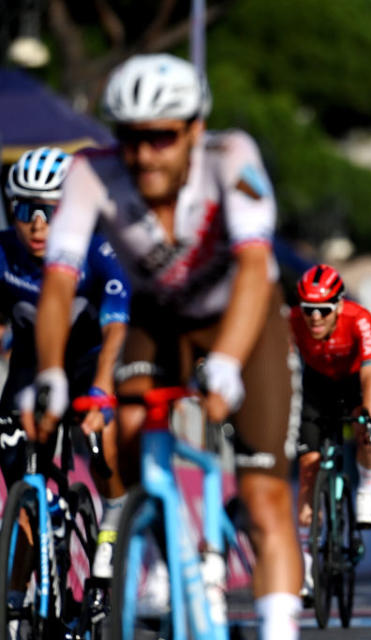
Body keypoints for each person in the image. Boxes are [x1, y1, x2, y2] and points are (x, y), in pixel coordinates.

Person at [23, 54, 302, 638]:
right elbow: (59, 282)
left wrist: (226, 361)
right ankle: (149, 550)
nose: (144, 154)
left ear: (195, 131)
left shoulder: (232, 159)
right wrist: (48, 373)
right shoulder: (92, 172)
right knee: (123, 430)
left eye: (161, 138)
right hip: (157, 316)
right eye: (130, 137)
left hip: (239, 315)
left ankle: (280, 627)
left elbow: (255, 267)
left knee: (263, 494)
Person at [0, 146, 129, 580]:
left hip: (90, 362)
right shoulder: (3, 255)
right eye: (25, 209)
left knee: (102, 437)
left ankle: (112, 515)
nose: (38, 224)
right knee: (19, 489)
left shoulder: (97, 250)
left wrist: (103, 388)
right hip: (30, 369)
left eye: (51, 211)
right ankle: (18, 603)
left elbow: (116, 326)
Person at [289, 264, 371, 592]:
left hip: (355, 383)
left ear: (339, 305)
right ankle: (306, 566)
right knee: (308, 467)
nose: (315, 318)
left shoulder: (359, 318)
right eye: (308, 310)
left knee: (369, 434)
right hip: (317, 387)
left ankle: (366, 492)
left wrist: (370, 417)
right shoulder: (292, 322)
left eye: (323, 310)